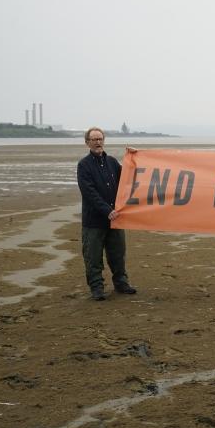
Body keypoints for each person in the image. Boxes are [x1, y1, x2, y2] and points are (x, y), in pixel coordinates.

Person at [77, 127, 137, 301]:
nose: (98, 142)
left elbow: (128, 176)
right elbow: (89, 192)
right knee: (93, 257)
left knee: (118, 254)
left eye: (100, 139)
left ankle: (121, 284)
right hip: (94, 221)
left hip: (115, 220)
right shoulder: (84, 165)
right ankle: (97, 288)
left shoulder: (111, 162)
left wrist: (134, 158)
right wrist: (106, 210)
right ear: (87, 142)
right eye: (94, 139)